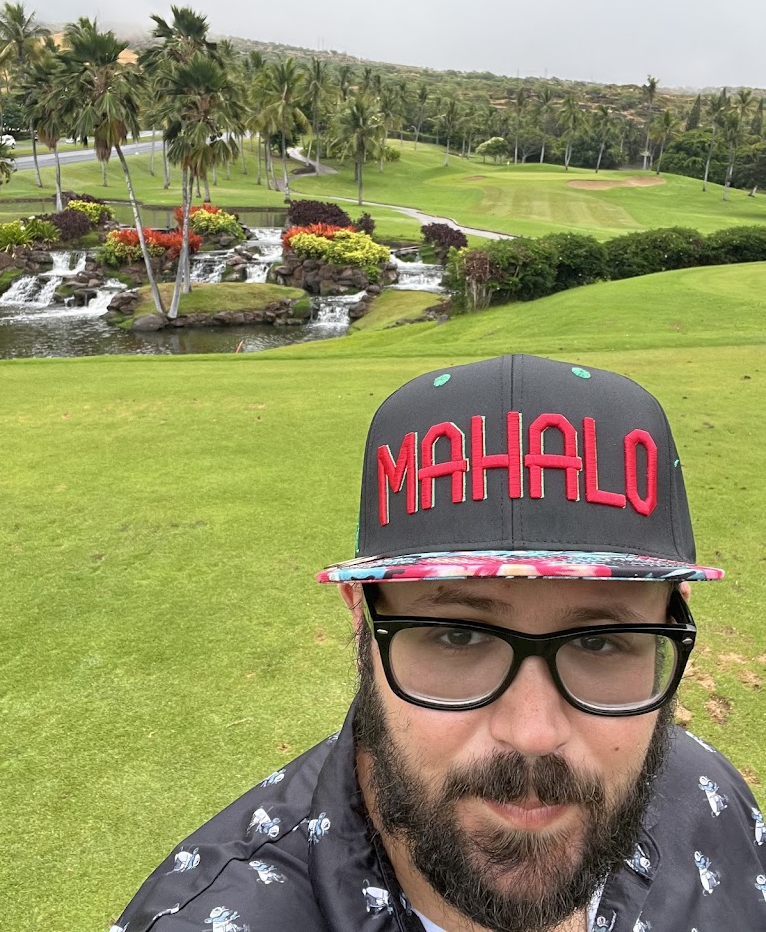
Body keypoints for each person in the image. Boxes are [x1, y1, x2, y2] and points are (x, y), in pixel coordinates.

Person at [112, 354, 765, 932]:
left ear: (672, 621)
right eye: (458, 635)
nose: (533, 734)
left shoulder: (709, 796)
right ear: (363, 619)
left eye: (601, 642)